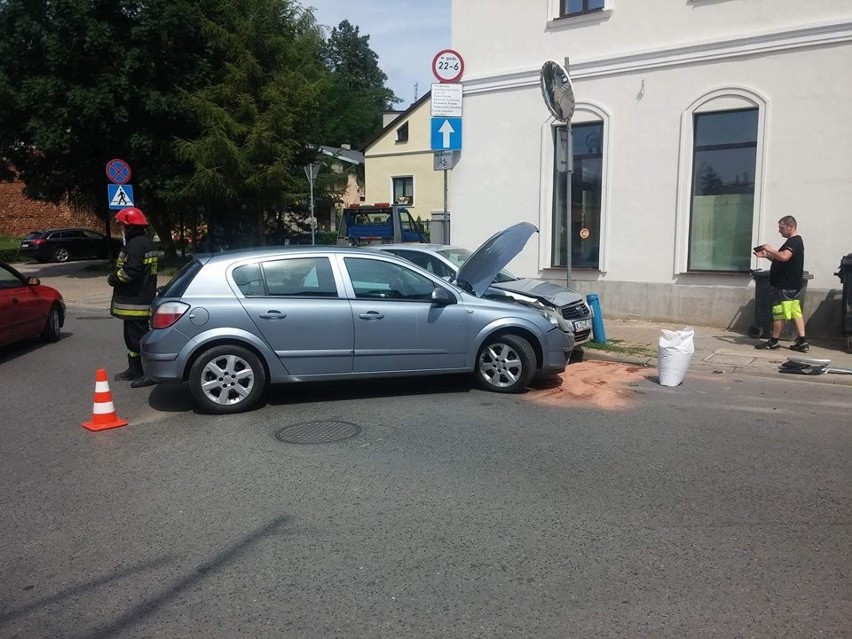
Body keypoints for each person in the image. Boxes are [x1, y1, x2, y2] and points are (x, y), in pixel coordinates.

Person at [108, 206, 159, 387]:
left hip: (135, 301)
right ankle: (134, 369)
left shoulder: (135, 245)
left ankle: (148, 373)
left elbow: (131, 272)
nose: (121, 229)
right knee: (131, 338)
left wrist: (113, 278)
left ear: (130, 226)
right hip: (138, 299)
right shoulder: (144, 243)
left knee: (138, 339)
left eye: (123, 225)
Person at [753, 215, 808, 352]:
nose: (779, 231)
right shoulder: (794, 242)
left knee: (779, 313)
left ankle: (773, 341)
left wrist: (770, 249)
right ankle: (802, 341)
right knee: (795, 311)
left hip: (785, 286)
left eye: (781, 228)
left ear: (790, 227)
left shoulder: (794, 241)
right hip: (792, 285)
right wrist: (767, 255)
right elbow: (782, 260)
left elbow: (784, 257)